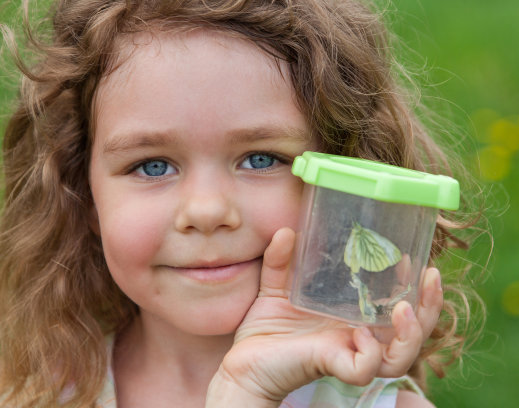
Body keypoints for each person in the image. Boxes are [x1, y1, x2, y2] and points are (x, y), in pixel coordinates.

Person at [0, 0, 482, 407]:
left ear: (344, 185)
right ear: (83, 193)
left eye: (259, 159)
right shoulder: (39, 390)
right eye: (152, 166)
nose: (207, 211)